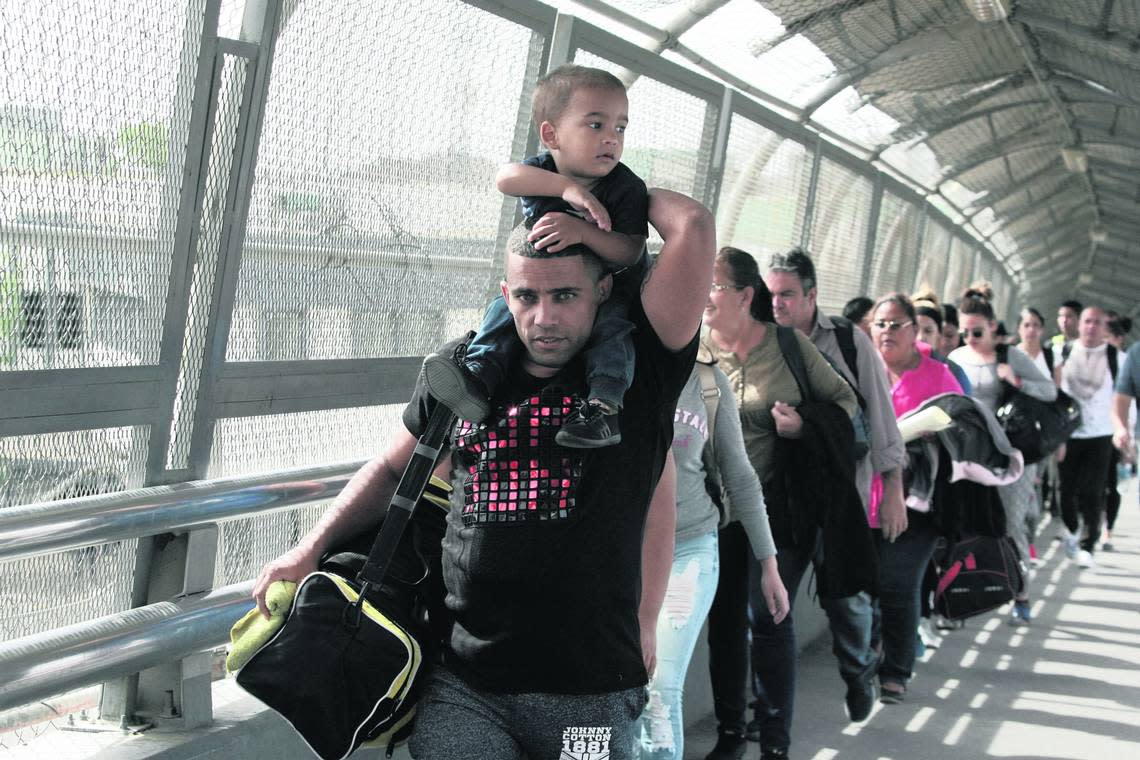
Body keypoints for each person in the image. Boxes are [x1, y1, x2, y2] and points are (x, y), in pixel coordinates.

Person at [253, 190, 716, 760]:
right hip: (466, 685)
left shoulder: (636, 376)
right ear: (505, 296)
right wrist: (309, 548)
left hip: (590, 691)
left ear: (601, 291)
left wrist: (589, 187)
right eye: (527, 296)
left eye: (565, 295)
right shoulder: (464, 374)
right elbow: (391, 468)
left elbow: (691, 224)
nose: (544, 317)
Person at [423, 64, 648, 449]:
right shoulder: (542, 169)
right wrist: (567, 189)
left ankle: (603, 407)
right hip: (542, 283)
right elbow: (505, 178)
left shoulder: (625, 186)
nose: (611, 138)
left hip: (604, 291)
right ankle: (478, 378)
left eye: (620, 128)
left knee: (613, 332)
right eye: (596, 125)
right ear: (551, 134)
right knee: (502, 310)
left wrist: (582, 231)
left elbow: (630, 249)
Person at [702, 246, 862, 760]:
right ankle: (731, 733)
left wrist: (802, 424)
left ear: (746, 296)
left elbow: (844, 401)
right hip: (714, 510)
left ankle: (774, 742)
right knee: (726, 622)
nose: (702, 293)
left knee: (767, 615)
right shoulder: (694, 348)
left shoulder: (789, 345)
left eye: (714, 285)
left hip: (780, 507)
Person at [767, 248, 906, 713]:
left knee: (846, 597)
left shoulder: (847, 341)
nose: (777, 304)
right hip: (783, 497)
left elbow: (882, 418)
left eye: (787, 294)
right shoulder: (760, 341)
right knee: (771, 598)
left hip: (839, 493)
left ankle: (857, 671)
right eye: (770, 294)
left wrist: (893, 493)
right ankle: (767, 708)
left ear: (812, 296)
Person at [635, 360, 789, 760]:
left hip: (689, 549)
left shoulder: (706, 382)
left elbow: (739, 473)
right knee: (616, 693)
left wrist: (768, 563)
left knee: (659, 689)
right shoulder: (607, 363)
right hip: (617, 558)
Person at [869, 293, 963, 704]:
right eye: (880, 323)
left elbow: (963, 424)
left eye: (896, 324)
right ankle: (866, 658)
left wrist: (930, 431)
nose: (887, 331)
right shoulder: (861, 370)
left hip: (919, 499)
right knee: (864, 585)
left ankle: (895, 670)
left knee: (898, 582)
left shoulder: (937, 375)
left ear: (914, 331)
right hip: (863, 496)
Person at [949, 288, 1055, 624]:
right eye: (964, 332)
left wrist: (1018, 381)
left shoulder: (1010, 357)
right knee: (962, 524)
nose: (970, 338)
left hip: (1009, 456)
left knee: (1010, 523)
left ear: (993, 327)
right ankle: (959, 596)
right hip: (967, 454)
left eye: (977, 331)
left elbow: (1050, 390)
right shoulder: (957, 358)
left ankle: (1021, 594)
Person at [1054, 306, 1118, 569]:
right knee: (1065, 490)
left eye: (1097, 323)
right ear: (1079, 325)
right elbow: (1053, 393)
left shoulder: (1117, 358)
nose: (1092, 327)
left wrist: (1126, 434)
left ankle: (1087, 545)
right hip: (1069, 433)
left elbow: (1125, 398)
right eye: (1087, 322)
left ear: (1104, 327)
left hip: (1101, 433)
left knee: (1093, 491)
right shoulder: (1062, 353)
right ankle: (1071, 528)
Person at [1015, 306, 1053, 563]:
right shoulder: (1010, 355)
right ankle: (1016, 543)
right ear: (1019, 328)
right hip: (1014, 433)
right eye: (1026, 324)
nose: (1031, 330)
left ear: (1042, 329)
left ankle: (1027, 539)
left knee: (1035, 487)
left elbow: (1057, 395)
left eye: (1035, 325)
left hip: (1042, 436)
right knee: (1018, 490)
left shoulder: (1050, 357)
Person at [912, 289, 971, 393]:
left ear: (939, 335)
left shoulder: (954, 372)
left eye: (928, 331)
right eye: (915, 330)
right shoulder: (892, 365)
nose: (920, 337)